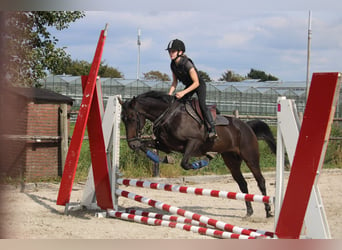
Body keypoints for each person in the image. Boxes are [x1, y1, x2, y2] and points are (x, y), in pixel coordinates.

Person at [166, 39, 217, 140]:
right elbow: (174, 82)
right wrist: (169, 95)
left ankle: (212, 129)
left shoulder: (187, 64)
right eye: (169, 51)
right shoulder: (172, 65)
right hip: (190, 85)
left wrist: (183, 92)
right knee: (177, 102)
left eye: (173, 51)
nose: (170, 53)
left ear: (180, 52)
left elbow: (196, 83)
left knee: (202, 104)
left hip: (198, 85)